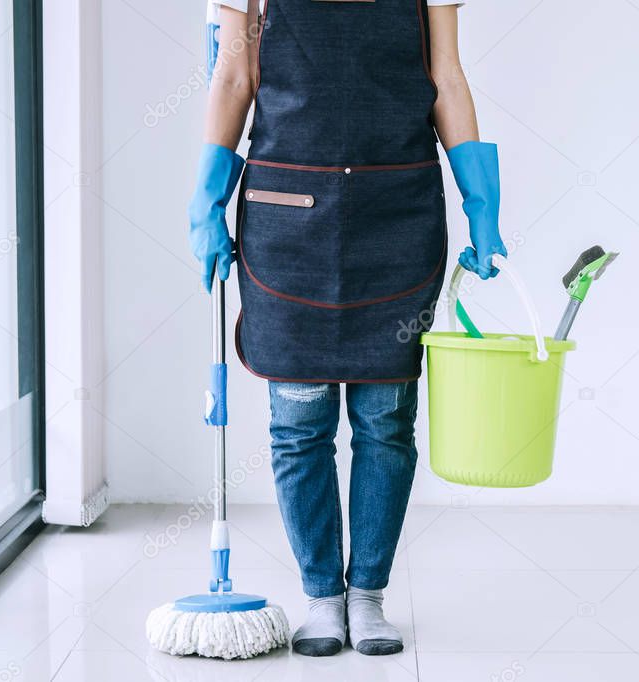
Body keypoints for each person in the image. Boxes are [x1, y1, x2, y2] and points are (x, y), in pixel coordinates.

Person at [187, 0, 504, 657]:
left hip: (397, 212)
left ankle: (367, 597)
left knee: (385, 420)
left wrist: (481, 200)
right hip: (285, 215)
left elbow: (445, 77)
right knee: (299, 423)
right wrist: (207, 197)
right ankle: (322, 599)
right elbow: (233, 78)